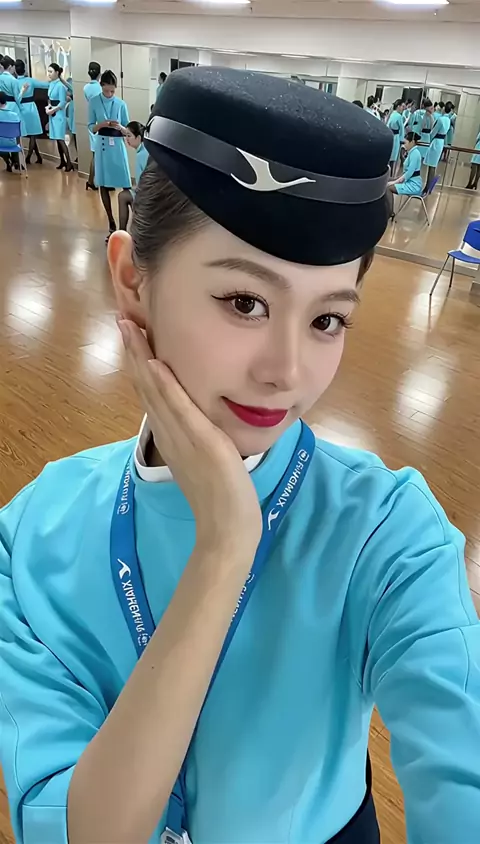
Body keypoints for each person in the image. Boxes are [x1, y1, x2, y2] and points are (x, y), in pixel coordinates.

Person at [1, 67, 480, 844]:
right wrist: (223, 547)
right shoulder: (31, 538)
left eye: (327, 320)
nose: (288, 371)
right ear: (131, 280)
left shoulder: (387, 532)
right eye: (245, 302)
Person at [88, 69, 131, 241]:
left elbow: (128, 129)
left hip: (118, 144)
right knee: (103, 184)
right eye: (107, 91)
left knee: (125, 184)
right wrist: (102, 124)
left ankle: (126, 226)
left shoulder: (121, 104)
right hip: (102, 144)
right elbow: (91, 127)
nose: (110, 94)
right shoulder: (94, 102)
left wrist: (120, 127)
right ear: (102, 86)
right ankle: (111, 223)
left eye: (113, 91)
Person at [14, 58, 49, 164]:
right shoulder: (30, 81)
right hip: (31, 107)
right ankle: (28, 156)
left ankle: (37, 156)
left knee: (25, 132)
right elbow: (45, 85)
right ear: (24, 69)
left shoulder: (14, 82)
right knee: (33, 133)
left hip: (21, 107)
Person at [118, 120, 148, 231]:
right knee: (125, 195)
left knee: (123, 196)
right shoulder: (144, 150)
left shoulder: (142, 154)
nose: (127, 139)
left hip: (146, 194)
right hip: (144, 190)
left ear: (138, 137)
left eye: (129, 136)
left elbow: (145, 182)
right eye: (126, 136)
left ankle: (122, 232)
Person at [387, 131, 423, 218]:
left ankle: (390, 212)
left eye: (405, 143)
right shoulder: (412, 152)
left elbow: (409, 173)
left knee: (388, 188)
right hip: (410, 180)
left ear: (412, 142)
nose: (404, 145)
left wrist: (394, 182)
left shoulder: (415, 154)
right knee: (387, 180)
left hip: (413, 185)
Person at [46, 62, 73, 171]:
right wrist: (49, 107)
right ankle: (62, 160)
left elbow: (62, 102)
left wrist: (53, 110)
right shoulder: (51, 84)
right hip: (52, 113)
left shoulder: (60, 86)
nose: (49, 74)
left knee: (61, 139)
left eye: (51, 71)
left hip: (58, 114)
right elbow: (50, 99)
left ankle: (69, 162)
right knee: (57, 139)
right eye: (48, 71)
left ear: (57, 72)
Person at [84, 60, 102, 190]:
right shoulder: (101, 88)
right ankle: (91, 181)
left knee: (96, 153)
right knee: (99, 155)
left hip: (92, 122)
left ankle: (94, 181)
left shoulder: (86, 88)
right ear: (100, 74)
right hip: (100, 122)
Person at [423, 105, 450, 188]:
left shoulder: (440, 119)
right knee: (433, 165)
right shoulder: (448, 120)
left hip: (436, 142)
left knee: (431, 166)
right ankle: (428, 186)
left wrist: (430, 139)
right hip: (441, 142)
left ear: (444, 109)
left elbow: (434, 132)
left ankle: (428, 186)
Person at [0, 90, 20, 171]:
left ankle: (8, 160)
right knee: (11, 141)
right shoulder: (15, 115)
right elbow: (18, 133)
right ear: (6, 102)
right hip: (13, 143)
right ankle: (15, 160)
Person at [0, 56, 22, 122]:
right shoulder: (13, 80)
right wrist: (21, 108)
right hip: (13, 106)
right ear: (10, 67)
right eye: (14, 67)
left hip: (1, 106)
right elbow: (17, 98)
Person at [386, 99, 405, 175]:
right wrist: (402, 141)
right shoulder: (399, 116)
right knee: (393, 158)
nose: (403, 108)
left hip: (390, 136)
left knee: (390, 156)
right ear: (398, 106)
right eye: (402, 106)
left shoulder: (392, 114)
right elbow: (402, 129)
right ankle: (391, 175)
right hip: (396, 138)